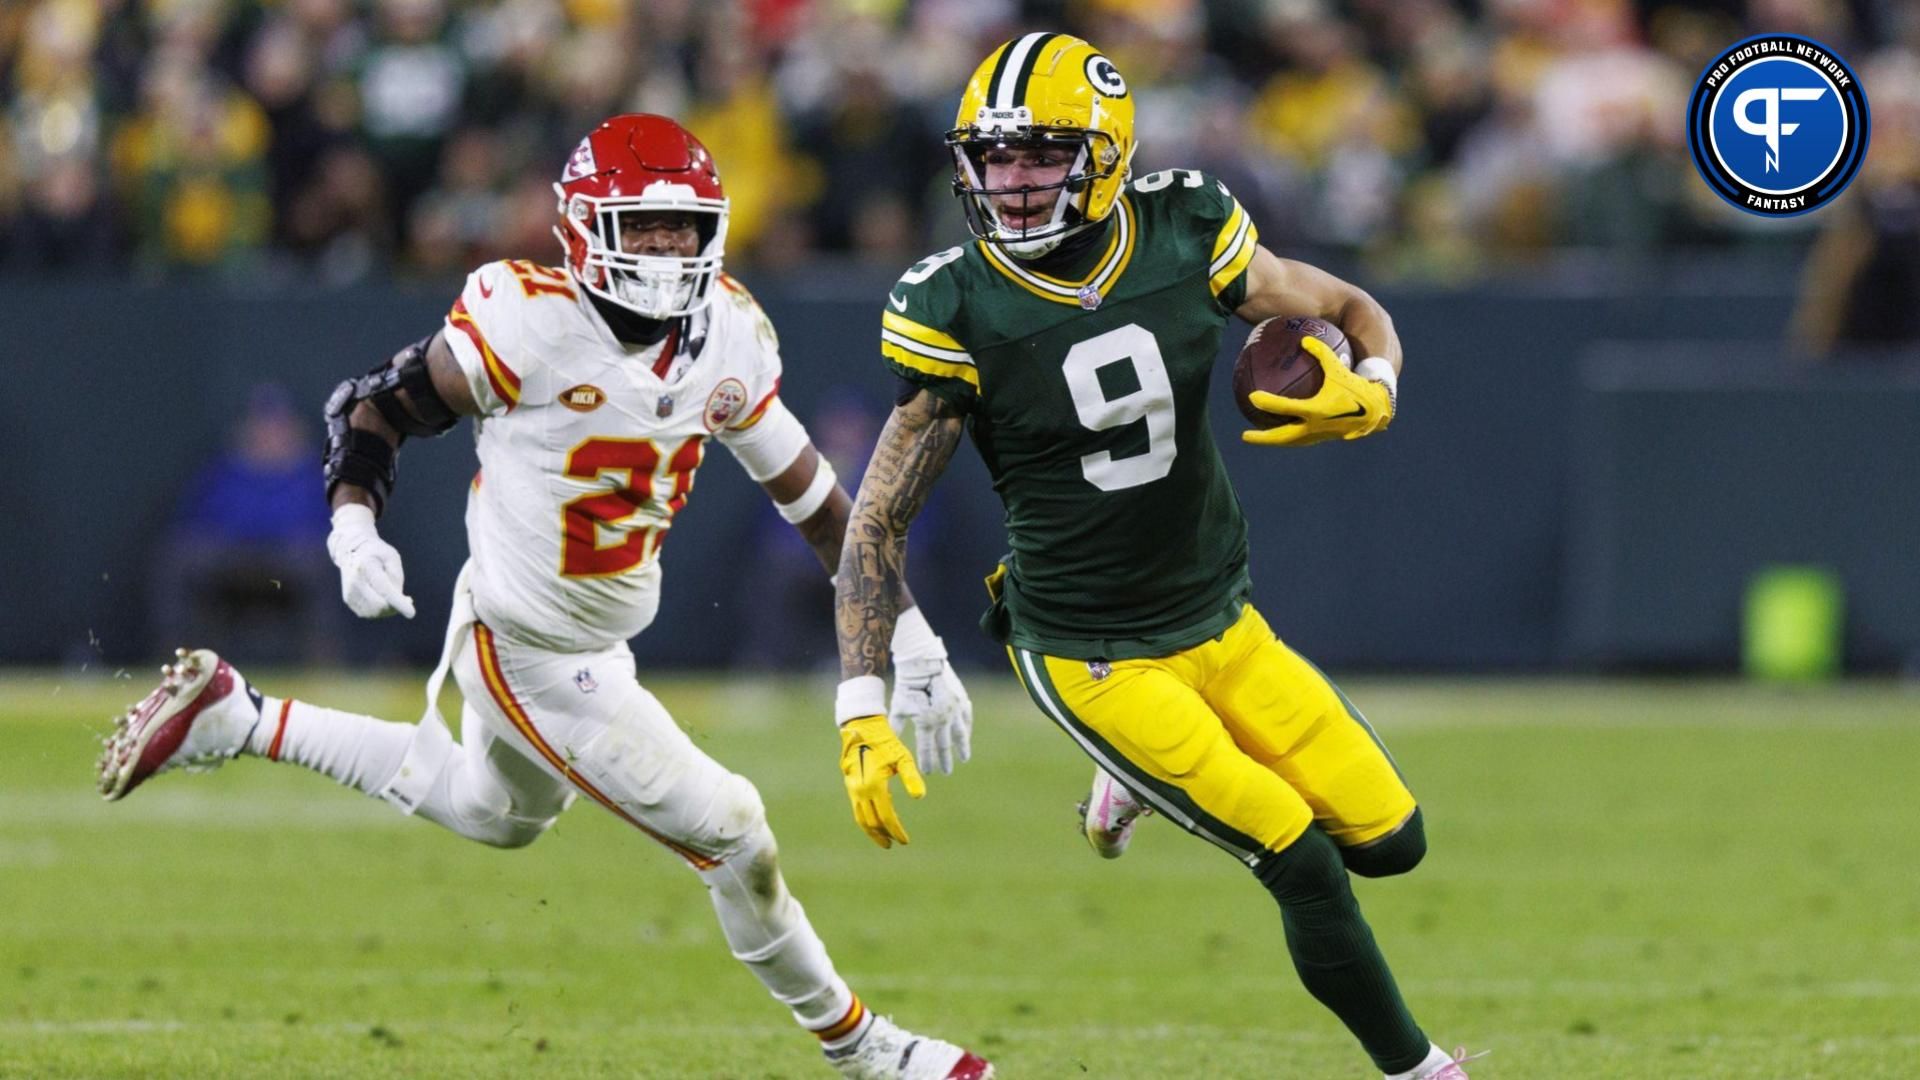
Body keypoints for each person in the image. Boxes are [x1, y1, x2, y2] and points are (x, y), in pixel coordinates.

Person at [97, 114, 990, 1080]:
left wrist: (913, 640)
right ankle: (865, 1049)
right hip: (523, 643)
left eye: (682, 227)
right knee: (736, 831)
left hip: (596, 641)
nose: (665, 248)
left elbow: (821, 507)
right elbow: (372, 408)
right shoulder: (526, 321)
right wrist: (353, 526)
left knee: (495, 814)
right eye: (640, 228)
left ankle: (241, 718)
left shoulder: (727, 334)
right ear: (583, 229)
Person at [829, 36, 1475, 1080]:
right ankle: (1419, 1069)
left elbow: (1355, 311)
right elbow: (874, 522)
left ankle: (1119, 788)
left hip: (1221, 616)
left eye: (1042, 155)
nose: (1014, 182)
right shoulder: (955, 303)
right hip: (1090, 649)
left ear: (1107, 153)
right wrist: (861, 703)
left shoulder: (1186, 230)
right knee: (1300, 861)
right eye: (994, 159)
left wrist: (1377, 387)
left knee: (1394, 844)